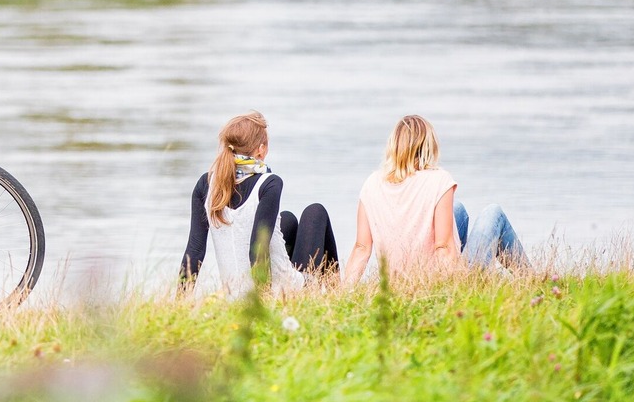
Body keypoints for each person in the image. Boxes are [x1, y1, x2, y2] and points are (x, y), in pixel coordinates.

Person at [340, 114, 525, 286]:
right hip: (440, 282)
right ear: (428, 146)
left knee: (457, 209)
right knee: (493, 213)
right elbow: (443, 246)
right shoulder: (439, 180)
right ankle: (534, 280)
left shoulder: (372, 183)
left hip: (396, 285)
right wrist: (451, 289)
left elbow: (361, 247)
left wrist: (345, 292)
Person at [179, 111, 338, 296]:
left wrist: (180, 299)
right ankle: (337, 290)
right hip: (278, 292)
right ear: (261, 149)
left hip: (234, 294)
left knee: (287, 220)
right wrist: (261, 304)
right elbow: (257, 250)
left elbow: (194, 250)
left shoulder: (206, 184)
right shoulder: (269, 183)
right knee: (315, 213)